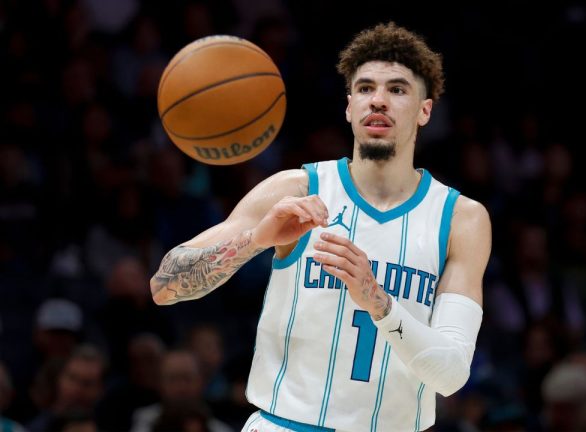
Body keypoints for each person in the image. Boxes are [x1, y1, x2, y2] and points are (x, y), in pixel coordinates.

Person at [150, 22, 491, 432]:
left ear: (425, 110)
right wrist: (256, 240)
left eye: (397, 90)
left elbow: (451, 375)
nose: (378, 101)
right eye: (365, 89)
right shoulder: (295, 189)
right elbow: (164, 287)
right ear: (349, 107)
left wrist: (378, 301)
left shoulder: (461, 219)